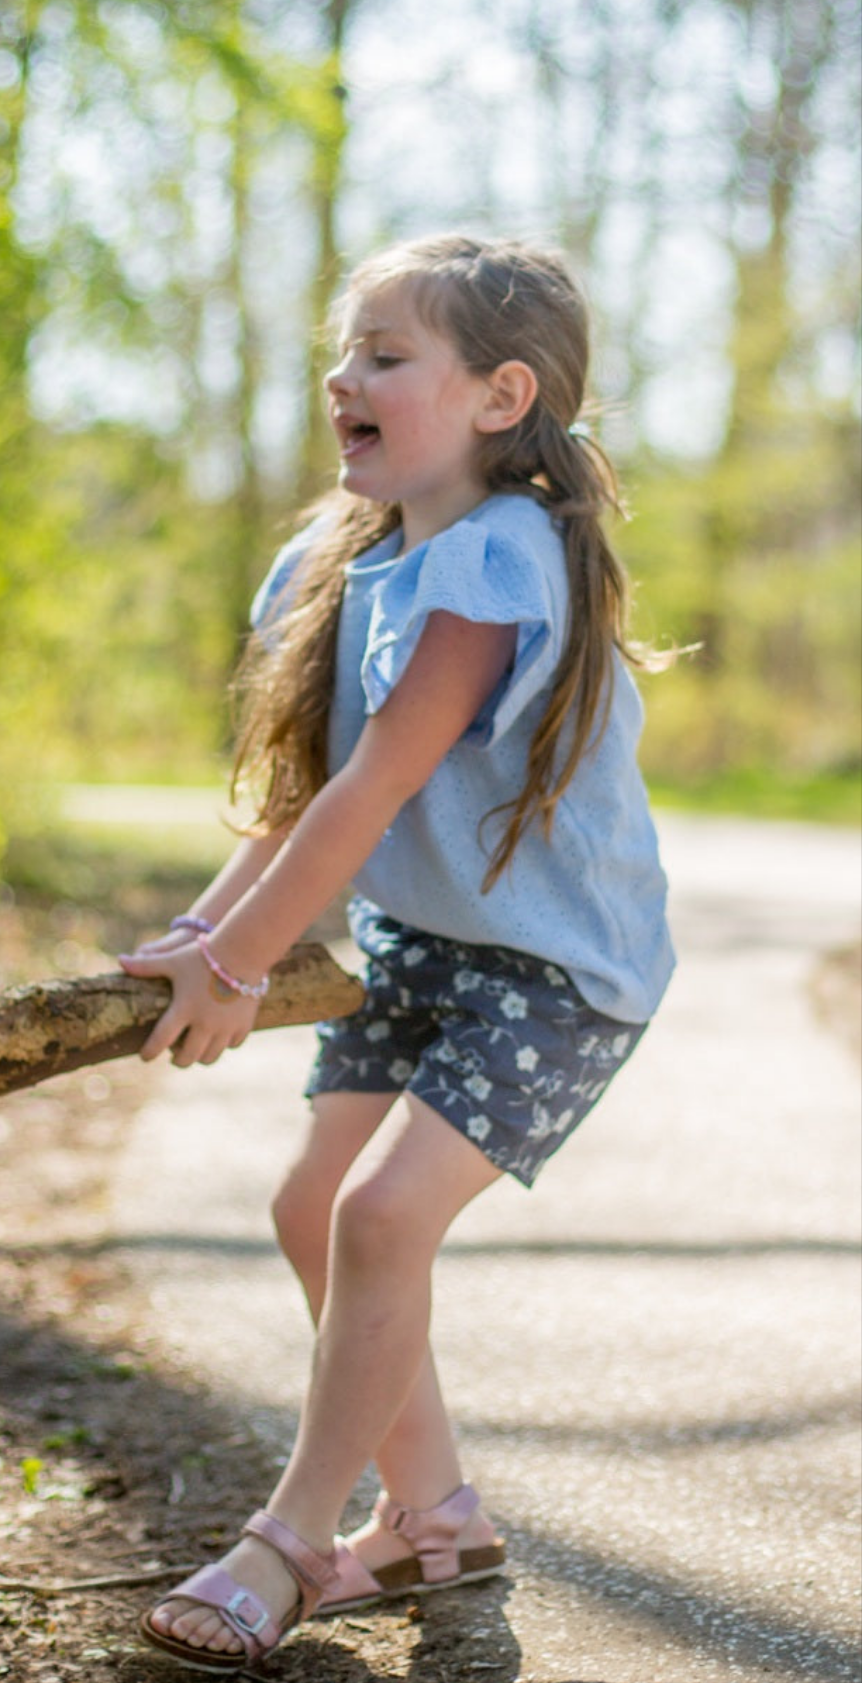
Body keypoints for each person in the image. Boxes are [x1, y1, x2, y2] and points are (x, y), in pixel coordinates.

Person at [119, 232, 676, 1673]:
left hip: (553, 970)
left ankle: (295, 1537)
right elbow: (314, 783)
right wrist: (202, 927)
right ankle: (434, 1519)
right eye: (343, 349)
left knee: (378, 1217)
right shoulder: (348, 554)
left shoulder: (497, 559)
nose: (340, 377)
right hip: (423, 948)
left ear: (500, 397)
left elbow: (379, 787)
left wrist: (237, 964)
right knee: (314, 1207)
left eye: (383, 355)